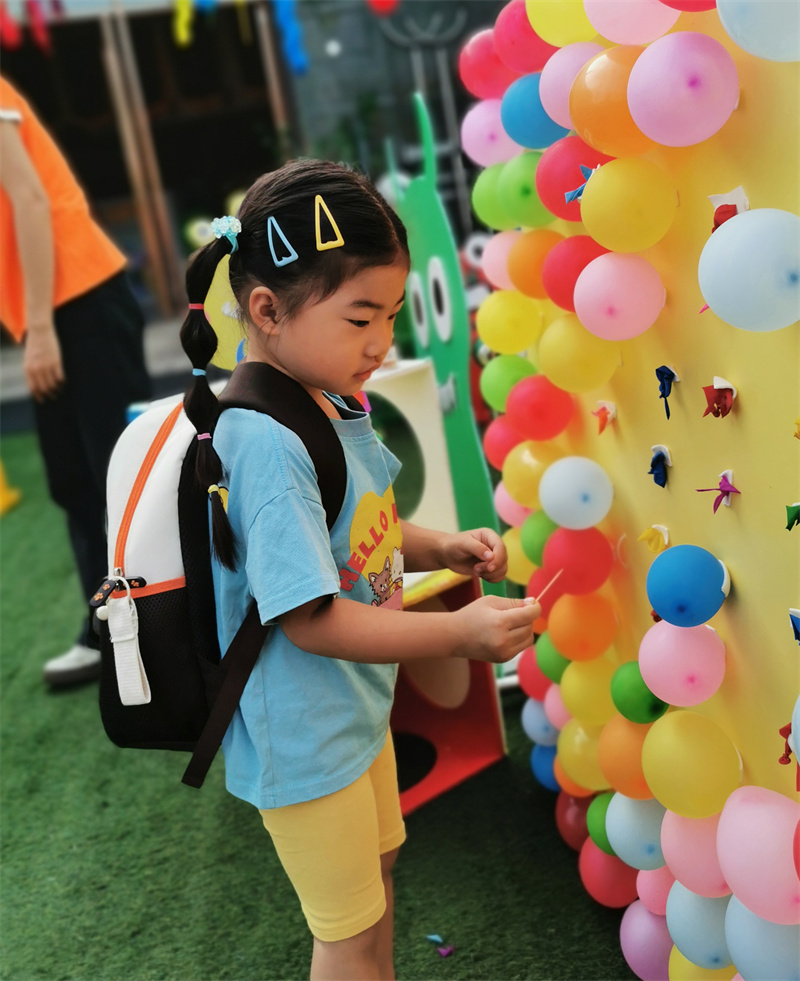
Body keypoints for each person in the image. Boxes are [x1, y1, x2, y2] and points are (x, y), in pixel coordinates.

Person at [180, 158, 541, 981]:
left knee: (375, 890)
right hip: (306, 740)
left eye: (392, 314)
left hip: (351, 714)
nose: (382, 341)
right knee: (347, 934)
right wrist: (456, 633)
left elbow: (356, 527)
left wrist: (438, 546)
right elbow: (309, 619)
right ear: (266, 311)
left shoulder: (328, 394)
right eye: (359, 317)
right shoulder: (266, 441)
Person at [0, 76, 151, 687]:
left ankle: (169, 623)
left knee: (122, 476)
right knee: (74, 481)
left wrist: (40, 328)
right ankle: (107, 627)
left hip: (80, 303)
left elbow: (31, 201)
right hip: (51, 313)